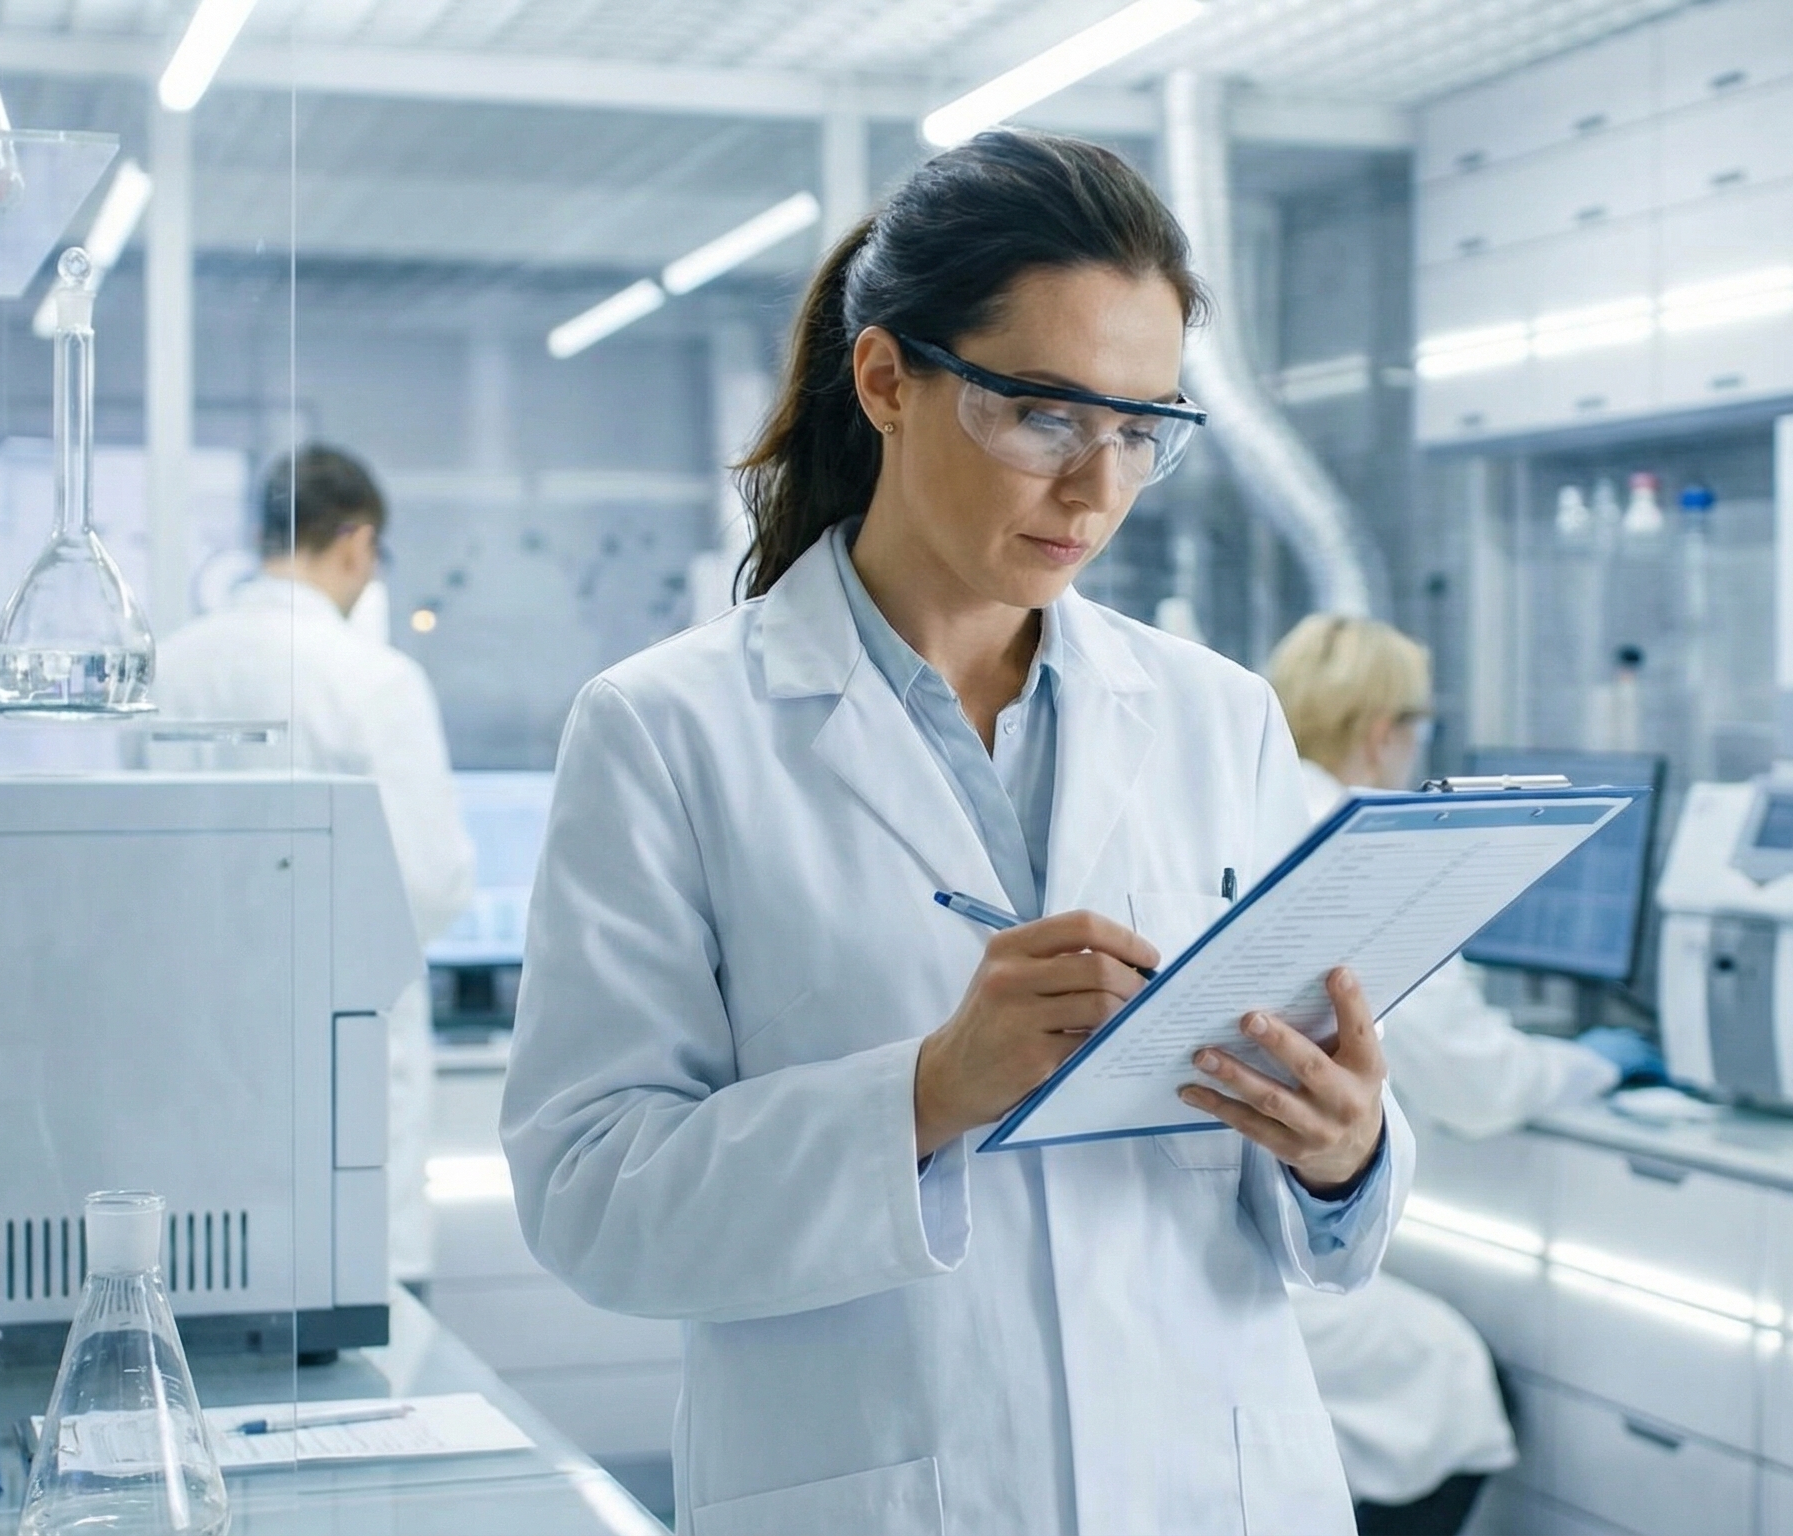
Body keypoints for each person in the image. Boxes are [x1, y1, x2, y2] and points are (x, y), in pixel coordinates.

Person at [501, 131, 1411, 1536]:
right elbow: (590, 1199)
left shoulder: (1216, 717)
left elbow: (1310, 1190)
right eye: (1046, 415)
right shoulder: (667, 732)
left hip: (1211, 1485)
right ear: (887, 381)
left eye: (1141, 429)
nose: (1097, 487)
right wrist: (928, 1090)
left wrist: (1341, 1152)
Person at [1265, 614, 1658, 1536]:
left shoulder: (1261, 808)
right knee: (1451, 1383)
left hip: (1242, 1230)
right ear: (1383, 732)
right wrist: (1598, 1066)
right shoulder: (1366, 846)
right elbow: (1480, 1083)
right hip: (1274, 1263)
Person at [156, 444, 474, 1293]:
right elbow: (430, 882)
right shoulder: (373, 681)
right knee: (361, 1330)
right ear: (356, 543)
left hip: (195, 1068)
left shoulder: (174, 669)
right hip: (340, 1083)